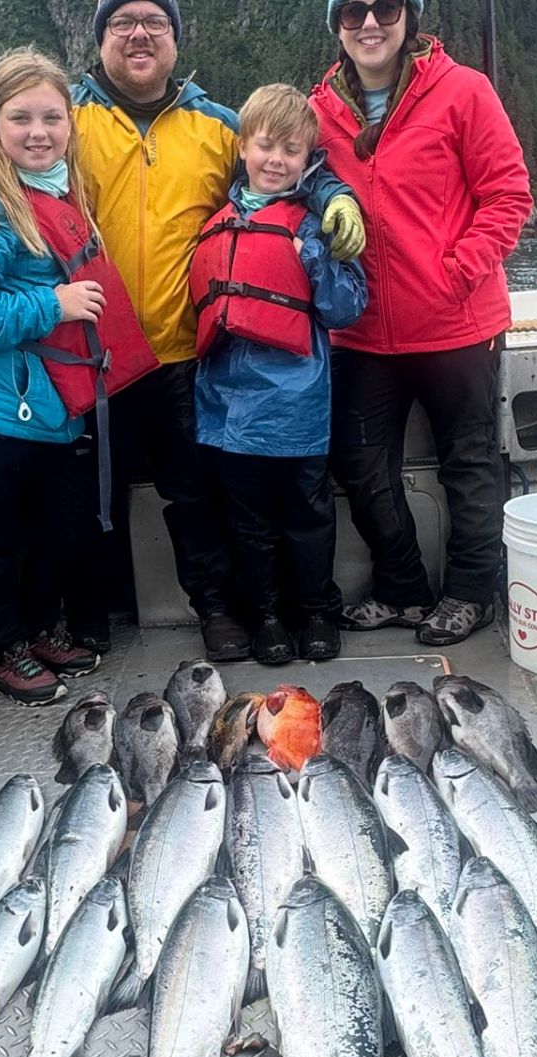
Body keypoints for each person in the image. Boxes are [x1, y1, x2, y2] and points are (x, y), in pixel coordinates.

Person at [0, 0, 368, 663]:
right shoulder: (66, 113)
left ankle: (215, 609)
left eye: (156, 21)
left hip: (184, 351)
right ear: (99, 39)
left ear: (176, 40)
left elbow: (290, 160)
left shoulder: (220, 126)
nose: (139, 34)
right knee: (90, 500)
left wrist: (336, 197)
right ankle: (88, 619)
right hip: (91, 352)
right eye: (121, 20)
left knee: (195, 496)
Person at [0, 47, 158, 706]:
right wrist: (50, 305)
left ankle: (35, 629)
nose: (38, 132)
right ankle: (2, 647)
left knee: (55, 528)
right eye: (20, 118)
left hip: (49, 409)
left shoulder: (64, 193)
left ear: (70, 126)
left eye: (52, 118)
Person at [310, 0, 533, 645]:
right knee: (360, 465)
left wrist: (456, 272)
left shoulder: (464, 90)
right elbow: (293, 184)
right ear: (338, 24)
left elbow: (508, 193)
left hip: (456, 325)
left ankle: (470, 593)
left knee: (467, 464)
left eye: (386, 7)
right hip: (359, 329)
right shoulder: (318, 108)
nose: (369, 23)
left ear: (410, 17)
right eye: (353, 11)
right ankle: (402, 587)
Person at [191, 84, 367, 664]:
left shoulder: (316, 222)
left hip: (298, 405)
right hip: (226, 406)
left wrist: (313, 253)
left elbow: (344, 308)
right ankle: (265, 615)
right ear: (243, 147)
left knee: (308, 517)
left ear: (308, 158)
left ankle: (317, 610)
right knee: (248, 524)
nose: (276, 160)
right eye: (266, 146)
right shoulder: (214, 220)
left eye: (291, 151)